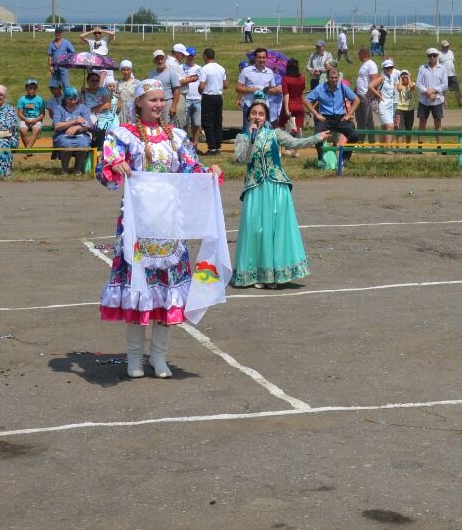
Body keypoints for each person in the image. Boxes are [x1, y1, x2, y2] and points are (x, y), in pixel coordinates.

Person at [97, 79, 223, 378]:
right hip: (138, 225)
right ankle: (134, 359)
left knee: (167, 291)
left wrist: (209, 172)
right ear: (139, 102)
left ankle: (160, 356)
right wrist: (114, 166)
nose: (158, 105)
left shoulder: (177, 136)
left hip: (170, 224)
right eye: (152, 100)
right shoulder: (122, 135)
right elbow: (106, 173)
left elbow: (192, 170)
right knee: (137, 288)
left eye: (161, 100)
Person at [232, 98, 329, 288]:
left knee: (275, 230)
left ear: (266, 117)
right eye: (254, 113)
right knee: (256, 230)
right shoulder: (242, 138)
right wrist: (251, 138)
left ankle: (275, 274)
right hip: (255, 188)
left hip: (276, 187)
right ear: (248, 116)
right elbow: (244, 158)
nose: (257, 117)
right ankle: (258, 273)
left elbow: (295, 143)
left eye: (261, 114)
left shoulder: (275, 134)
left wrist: (316, 138)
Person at [304, 67, 358, 172]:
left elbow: (356, 99)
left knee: (354, 135)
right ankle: (320, 160)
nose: (334, 80)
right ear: (327, 78)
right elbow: (306, 100)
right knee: (317, 136)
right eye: (332, 78)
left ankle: (345, 159)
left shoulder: (342, 87)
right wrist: (316, 114)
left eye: (336, 78)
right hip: (325, 118)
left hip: (340, 118)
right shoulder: (320, 88)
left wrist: (349, 114)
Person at [52, 86, 95, 175]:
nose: (73, 101)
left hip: (81, 135)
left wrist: (77, 127)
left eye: (75, 99)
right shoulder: (59, 108)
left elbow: (89, 125)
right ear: (65, 98)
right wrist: (74, 122)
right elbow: (56, 126)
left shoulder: (83, 108)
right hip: (63, 135)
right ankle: (64, 169)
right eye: (70, 99)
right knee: (66, 144)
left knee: (83, 144)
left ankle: (77, 169)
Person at [416, 47, 448, 144]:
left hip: (437, 100)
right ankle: (420, 147)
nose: (432, 57)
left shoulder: (443, 68)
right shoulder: (422, 68)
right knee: (422, 124)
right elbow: (418, 83)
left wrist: (434, 91)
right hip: (424, 100)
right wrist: (427, 92)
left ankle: (439, 147)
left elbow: (445, 84)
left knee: (438, 124)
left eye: (434, 55)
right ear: (428, 57)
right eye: (430, 56)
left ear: (437, 56)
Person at [198, 48, 227, 154]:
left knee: (208, 122)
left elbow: (202, 85)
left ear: (205, 56)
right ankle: (218, 145)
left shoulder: (204, 69)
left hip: (208, 96)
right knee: (218, 122)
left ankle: (212, 147)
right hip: (218, 96)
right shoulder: (221, 68)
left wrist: (200, 91)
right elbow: (226, 85)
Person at [179, 47, 204, 144]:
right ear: (186, 56)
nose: (190, 58)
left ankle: (195, 144)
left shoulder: (199, 69)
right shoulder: (180, 68)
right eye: (189, 56)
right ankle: (184, 144)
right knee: (184, 123)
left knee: (197, 124)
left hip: (197, 99)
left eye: (192, 56)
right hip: (185, 98)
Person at [354, 49, 380, 135]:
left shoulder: (371, 64)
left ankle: (371, 141)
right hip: (359, 95)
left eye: (359, 55)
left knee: (368, 119)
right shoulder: (364, 65)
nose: (358, 57)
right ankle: (361, 139)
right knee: (360, 118)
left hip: (366, 95)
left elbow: (374, 80)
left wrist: (369, 94)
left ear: (363, 54)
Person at [16, 77, 47, 148]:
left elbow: (42, 114)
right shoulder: (22, 99)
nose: (32, 90)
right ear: (26, 88)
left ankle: (27, 150)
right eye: (30, 88)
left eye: (34, 88)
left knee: (36, 130)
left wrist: (35, 120)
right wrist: (25, 119)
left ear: (37, 89)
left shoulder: (40, 99)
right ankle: (29, 150)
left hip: (36, 119)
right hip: (25, 119)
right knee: (23, 130)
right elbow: (19, 113)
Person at [279, 58, 307, 137]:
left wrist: (286, 108)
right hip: (299, 105)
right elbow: (302, 90)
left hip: (289, 105)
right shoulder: (302, 78)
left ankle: (288, 146)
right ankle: (297, 142)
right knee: (298, 127)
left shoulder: (285, 79)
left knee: (283, 127)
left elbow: (286, 94)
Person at [374, 59, 397, 144]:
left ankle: (382, 147)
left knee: (384, 126)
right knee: (390, 126)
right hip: (383, 104)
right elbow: (370, 86)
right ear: (383, 68)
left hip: (390, 104)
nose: (390, 69)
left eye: (391, 67)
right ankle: (387, 148)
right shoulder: (382, 77)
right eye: (387, 68)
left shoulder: (390, 77)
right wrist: (378, 95)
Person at [394, 69, 416, 143]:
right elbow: (399, 89)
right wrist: (400, 79)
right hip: (400, 109)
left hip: (410, 109)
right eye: (403, 76)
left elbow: (412, 87)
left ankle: (408, 148)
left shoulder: (412, 83)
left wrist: (409, 77)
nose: (404, 78)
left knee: (409, 129)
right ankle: (399, 148)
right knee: (399, 128)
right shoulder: (398, 84)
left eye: (406, 76)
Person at [113, 60, 137, 125]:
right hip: (121, 112)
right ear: (121, 71)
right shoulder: (118, 83)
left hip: (133, 111)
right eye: (124, 70)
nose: (126, 72)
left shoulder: (137, 83)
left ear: (131, 70)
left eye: (128, 70)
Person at [438, 40, 460, 107]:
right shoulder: (439, 54)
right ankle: (445, 103)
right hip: (444, 75)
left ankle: (459, 102)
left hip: (453, 74)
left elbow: (453, 62)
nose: (447, 47)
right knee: (444, 90)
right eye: (445, 46)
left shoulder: (451, 52)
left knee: (457, 88)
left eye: (448, 46)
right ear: (442, 46)